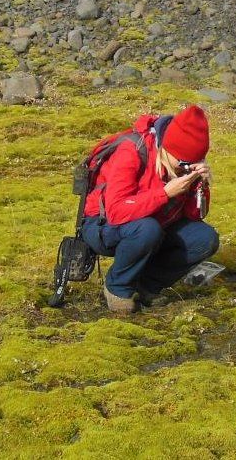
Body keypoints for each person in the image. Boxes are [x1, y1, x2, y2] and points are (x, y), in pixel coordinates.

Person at [81, 105, 219, 314]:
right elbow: (116, 212)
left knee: (205, 238)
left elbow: (193, 216)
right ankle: (117, 287)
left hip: (153, 224)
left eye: (194, 164)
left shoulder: (179, 166)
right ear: (168, 148)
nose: (186, 169)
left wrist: (200, 185)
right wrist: (165, 193)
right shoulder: (132, 152)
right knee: (147, 229)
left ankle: (146, 286)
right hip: (102, 225)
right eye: (183, 163)